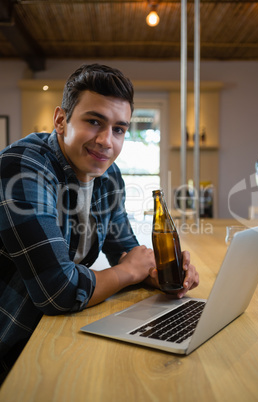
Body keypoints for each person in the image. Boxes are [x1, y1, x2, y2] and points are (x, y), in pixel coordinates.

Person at [0, 64, 199, 384]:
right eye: (94, 122)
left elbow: (127, 251)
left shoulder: (107, 177)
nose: (107, 141)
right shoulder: (24, 166)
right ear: (61, 120)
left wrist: (159, 272)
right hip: (13, 347)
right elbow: (58, 291)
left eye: (119, 129)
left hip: (61, 334)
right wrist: (127, 272)